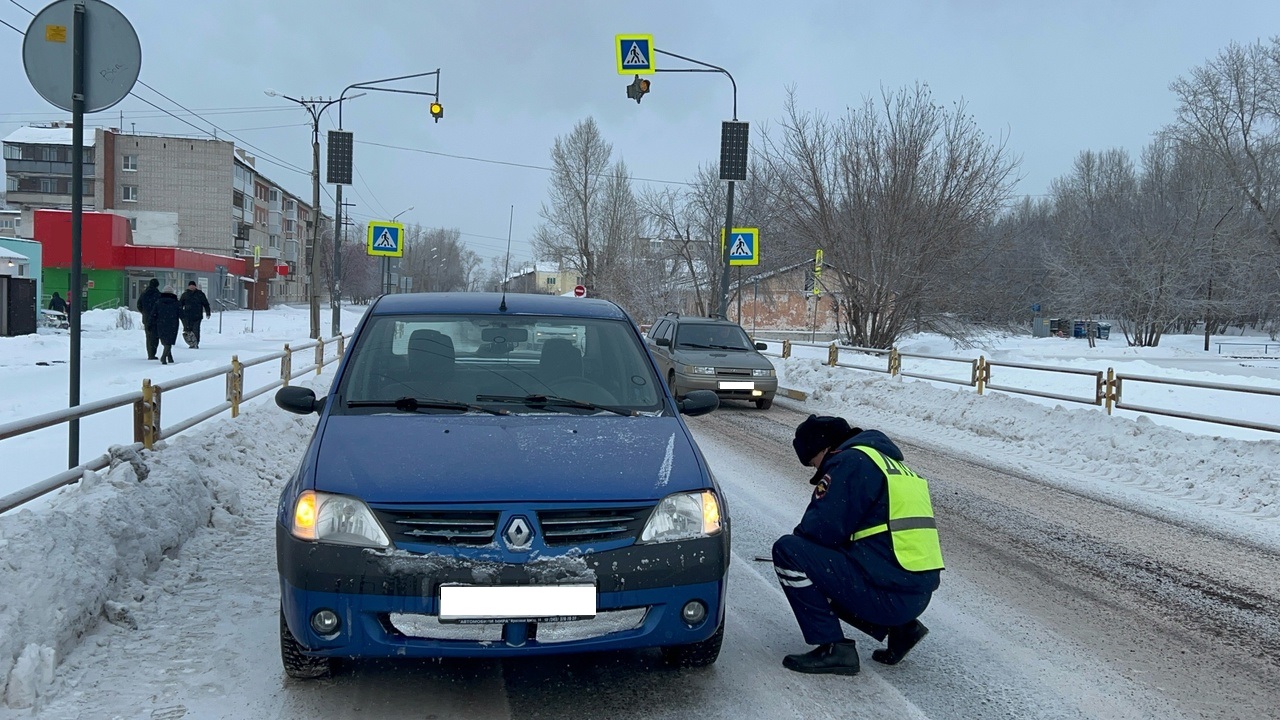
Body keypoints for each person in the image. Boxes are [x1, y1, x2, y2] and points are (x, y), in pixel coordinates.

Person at [772, 414, 944, 676]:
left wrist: (804, 554)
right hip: (916, 596)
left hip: (888, 597)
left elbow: (819, 531)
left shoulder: (851, 462)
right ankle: (901, 630)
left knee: (789, 552)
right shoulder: (889, 464)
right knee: (844, 555)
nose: (817, 469)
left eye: (813, 462)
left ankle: (834, 649)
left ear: (824, 448)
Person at [150, 285, 181, 365]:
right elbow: (181, 314)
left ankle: (169, 357)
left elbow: (153, 314)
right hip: (173, 324)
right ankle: (164, 357)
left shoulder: (158, 302)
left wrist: (150, 323)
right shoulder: (176, 303)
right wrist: (186, 324)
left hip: (161, 323)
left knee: (165, 341)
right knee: (169, 341)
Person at [178, 281, 211, 349]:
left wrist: (208, 312)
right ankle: (191, 343)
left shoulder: (200, 294)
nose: (192, 287)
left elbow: (206, 303)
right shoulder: (185, 294)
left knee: (196, 329)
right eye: (190, 285)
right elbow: (180, 304)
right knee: (188, 330)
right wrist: (179, 312)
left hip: (197, 315)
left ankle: (196, 343)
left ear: (195, 286)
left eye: (193, 285)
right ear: (188, 286)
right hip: (187, 315)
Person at [138, 279, 161, 360]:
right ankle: (153, 353)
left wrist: (144, 312)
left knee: (148, 336)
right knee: (155, 336)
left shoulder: (144, 294)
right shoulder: (158, 294)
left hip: (146, 318)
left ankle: (150, 353)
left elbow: (139, 305)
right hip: (156, 318)